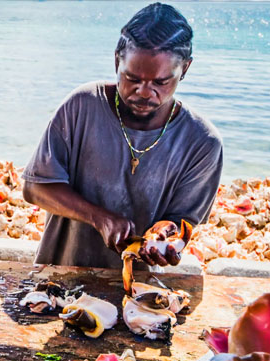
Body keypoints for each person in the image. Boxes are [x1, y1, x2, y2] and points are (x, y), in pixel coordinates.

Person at [21, 3, 223, 270]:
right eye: (131, 78)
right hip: (59, 277)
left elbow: (182, 220)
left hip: (141, 296)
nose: (143, 91)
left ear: (184, 69)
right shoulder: (82, 106)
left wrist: (166, 236)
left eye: (160, 82)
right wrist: (98, 217)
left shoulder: (202, 142)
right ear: (117, 60)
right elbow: (34, 188)